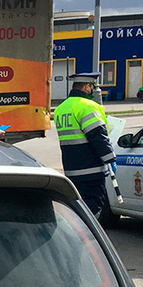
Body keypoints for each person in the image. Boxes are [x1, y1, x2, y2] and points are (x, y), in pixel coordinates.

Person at [54, 72, 116, 216]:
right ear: (87, 87)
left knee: (77, 206)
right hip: (91, 170)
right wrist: (110, 159)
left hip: (71, 168)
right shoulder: (87, 106)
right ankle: (85, 237)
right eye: (92, 87)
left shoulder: (61, 108)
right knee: (92, 208)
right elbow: (97, 136)